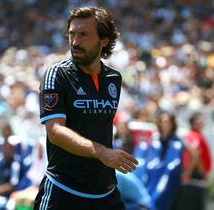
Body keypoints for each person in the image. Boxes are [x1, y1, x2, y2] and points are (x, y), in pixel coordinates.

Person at [34, 6, 138, 210]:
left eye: (83, 35)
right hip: (63, 192)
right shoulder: (57, 75)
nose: (74, 42)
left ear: (104, 40)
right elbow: (55, 131)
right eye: (72, 34)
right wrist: (103, 153)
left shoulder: (114, 79)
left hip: (105, 193)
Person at [133, 111, 196, 210]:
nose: (165, 123)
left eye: (167, 121)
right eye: (162, 121)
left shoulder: (178, 139)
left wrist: (187, 172)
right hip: (154, 176)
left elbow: (194, 154)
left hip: (170, 176)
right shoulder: (155, 138)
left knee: (161, 200)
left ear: (172, 123)